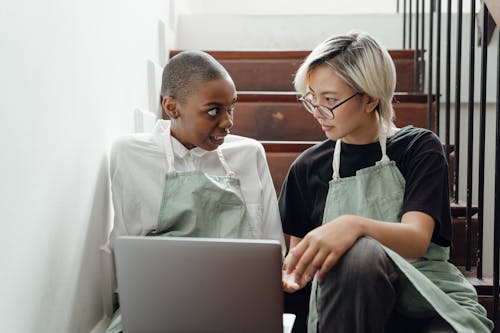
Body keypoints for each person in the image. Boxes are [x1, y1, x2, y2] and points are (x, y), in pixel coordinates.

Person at [280, 32, 493, 333]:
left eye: (329, 100)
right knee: (357, 259)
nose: (317, 112)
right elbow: (300, 265)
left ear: (370, 99)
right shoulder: (307, 168)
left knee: (361, 250)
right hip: (351, 305)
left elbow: (417, 239)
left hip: (427, 299)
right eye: (311, 98)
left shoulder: (419, 147)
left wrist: (353, 226)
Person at [104, 50, 285, 333]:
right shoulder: (130, 154)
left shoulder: (249, 154)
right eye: (213, 110)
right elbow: (126, 253)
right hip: (158, 310)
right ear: (171, 107)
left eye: (231, 108)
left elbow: (272, 247)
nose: (228, 122)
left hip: (240, 310)